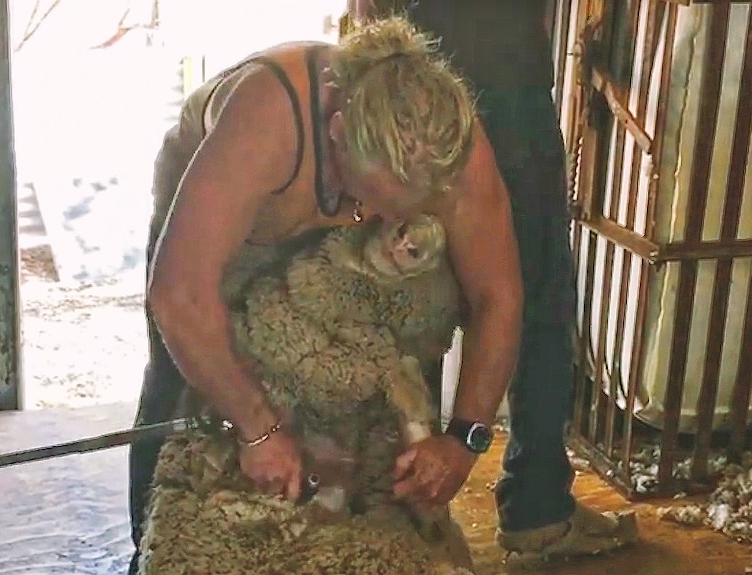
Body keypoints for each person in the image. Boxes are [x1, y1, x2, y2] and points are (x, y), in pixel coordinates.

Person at [127, 17, 524, 575]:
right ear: (337, 133)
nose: (380, 220)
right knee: (181, 391)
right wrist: (257, 427)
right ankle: (148, 554)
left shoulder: (445, 145)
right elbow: (179, 296)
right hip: (231, 214)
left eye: (401, 210)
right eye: (373, 199)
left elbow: (497, 296)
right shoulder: (266, 120)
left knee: (368, 378)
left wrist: (464, 437)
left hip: (323, 223)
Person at [345, 0, 639, 563]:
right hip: (501, 69)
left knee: (413, 296)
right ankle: (536, 507)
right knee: (535, 298)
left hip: (418, 63)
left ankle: (404, 510)